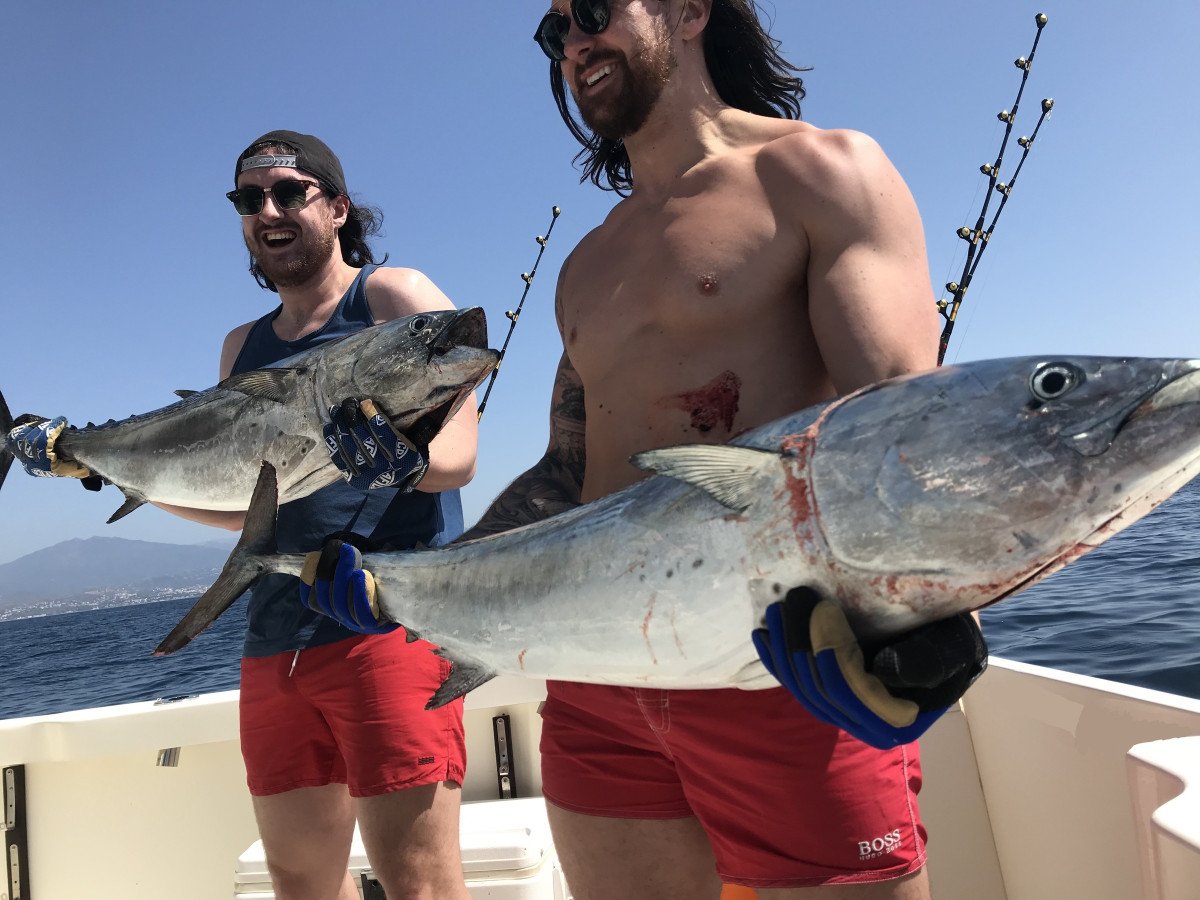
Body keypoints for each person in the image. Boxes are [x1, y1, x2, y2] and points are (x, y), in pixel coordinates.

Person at [305, 2, 988, 897]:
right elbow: (565, 474)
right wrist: (408, 582)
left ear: (691, 9)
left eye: (593, 12)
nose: (575, 44)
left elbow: (897, 422)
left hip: (784, 669)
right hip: (599, 681)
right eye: (555, 35)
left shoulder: (819, 172)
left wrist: (940, 618)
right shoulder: (589, 264)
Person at [6, 130, 478, 899]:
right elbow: (239, 507)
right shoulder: (243, 346)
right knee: (296, 883)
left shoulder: (395, 299)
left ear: (337, 206)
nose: (268, 210)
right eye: (249, 199)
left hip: (387, 627)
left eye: (289, 192)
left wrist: (407, 460)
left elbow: (462, 455)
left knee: (420, 883)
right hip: (275, 642)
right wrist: (88, 460)